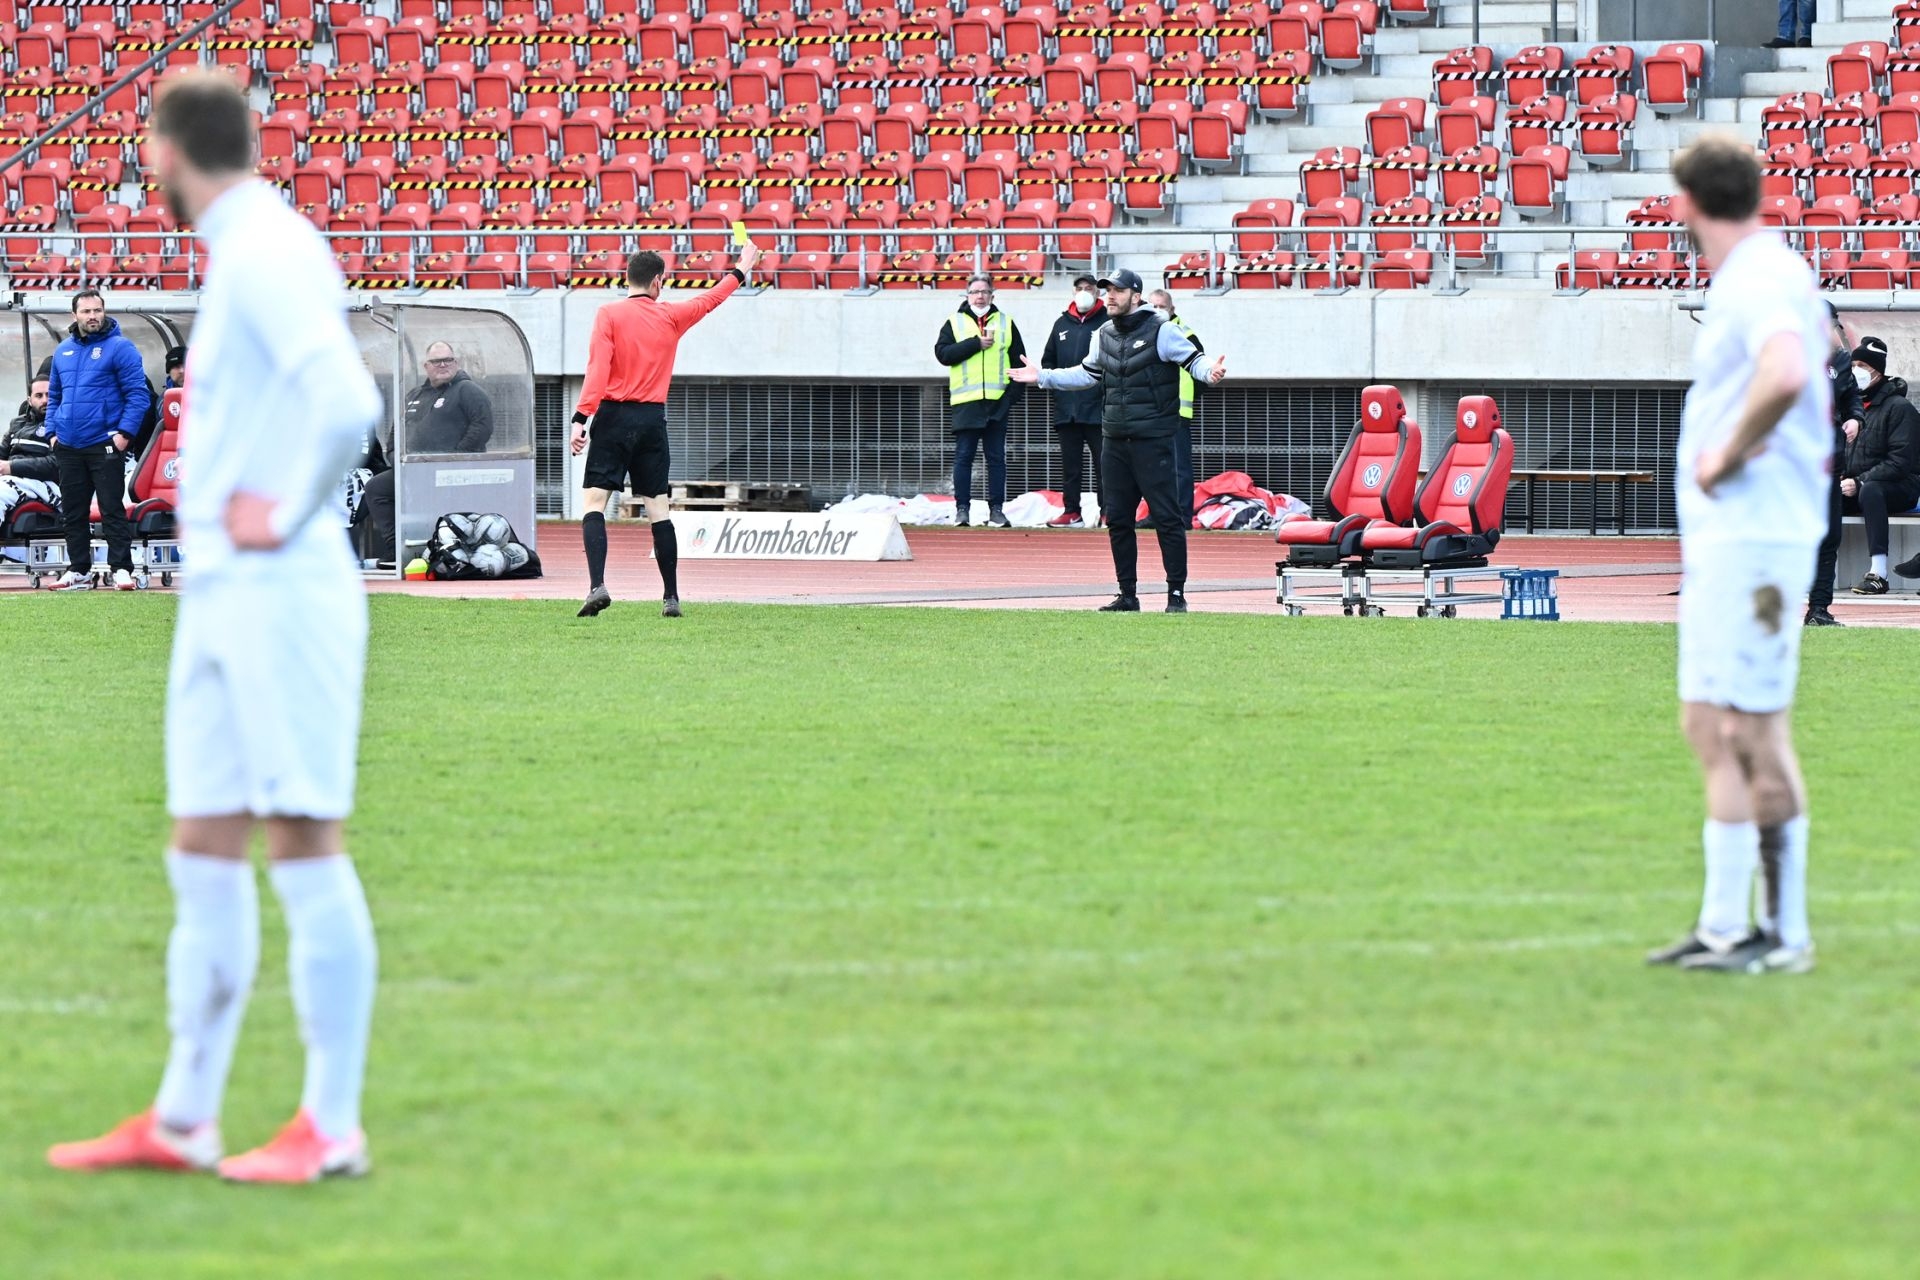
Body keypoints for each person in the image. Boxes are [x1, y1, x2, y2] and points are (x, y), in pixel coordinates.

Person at [48, 71, 385, 1183]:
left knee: (302, 840)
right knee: (201, 844)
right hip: (223, 592)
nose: (142, 169)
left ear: (168, 150)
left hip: (281, 589)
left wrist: (282, 513)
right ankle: (186, 1115)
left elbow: (348, 403)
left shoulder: (268, 248)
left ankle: (331, 1124)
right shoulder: (242, 249)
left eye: (145, 150)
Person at [1643, 135, 1830, 976]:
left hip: (1758, 541)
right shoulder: (1755, 275)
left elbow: (1785, 372)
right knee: (1709, 724)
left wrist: (1724, 453)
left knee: (1753, 729)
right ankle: (1723, 927)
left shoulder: (1758, 276)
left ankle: (1785, 934)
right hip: (1729, 543)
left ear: (1685, 203)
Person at [1010, 267, 1225, 613]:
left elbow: (1195, 361)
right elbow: (1087, 373)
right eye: (1107, 290)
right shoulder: (1103, 333)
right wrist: (1043, 376)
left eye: (1117, 291)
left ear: (1135, 296)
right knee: (1118, 520)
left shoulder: (1163, 329)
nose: (1109, 296)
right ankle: (1127, 595)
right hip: (1113, 439)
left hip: (1153, 439)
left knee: (1167, 518)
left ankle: (1176, 595)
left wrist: (1210, 372)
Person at [571, 243, 761, 618]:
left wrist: (582, 417)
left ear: (628, 278)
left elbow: (598, 368)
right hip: (651, 420)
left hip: (613, 416)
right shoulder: (671, 316)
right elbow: (711, 299)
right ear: (658, 281)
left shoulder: (608, 314)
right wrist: (743, 267)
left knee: (594, 503)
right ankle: (671, 597)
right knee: (659, 509)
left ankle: (597, 586)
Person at [44, 288, 149, 591]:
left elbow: (138, 395)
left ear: (104, 311)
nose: (93, 316)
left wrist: (124, 435)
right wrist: (52, 434)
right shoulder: (63, 350)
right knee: (73, 511)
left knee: (111, 508)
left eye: (97, 310)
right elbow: (54, 397)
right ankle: (79, 570)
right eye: (86, 311)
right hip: (68, 445)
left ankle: (121, 569)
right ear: (74, 315)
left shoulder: (121, 347)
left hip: (104, 443)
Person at [358, 341, 495, 565]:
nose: (443, 365)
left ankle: (448, 548)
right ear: (426, 366)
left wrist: (455, 458)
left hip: (451, 472)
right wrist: (395, 456)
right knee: (376, 487)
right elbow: (397, 430)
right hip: (412, 470)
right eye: (436, 361)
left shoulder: (467, 390)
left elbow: (482, 427)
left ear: (456, 362)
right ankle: (396, 550)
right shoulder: (416, 394)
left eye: (448, 360)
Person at [935, 275, 1025, 528]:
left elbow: (1019, 361)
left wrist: (1010, 397)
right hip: (967, 402)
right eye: (975, 291)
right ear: (967, 296)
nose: (980, 296)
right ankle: (962, 510)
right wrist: (975, 344)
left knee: (996, 458)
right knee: (964, 457)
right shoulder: (954, 322)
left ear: (992, 295)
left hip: (997, 402)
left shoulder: (1006, 322)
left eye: (984, 291)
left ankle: (996, 510)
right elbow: (943, 354)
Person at [1837, 336, 1919, 595]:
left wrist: (1859, 482)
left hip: (1899, 487)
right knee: (1822, 494)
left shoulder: (1900, 408)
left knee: (1871, 489)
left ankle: (1878, 574)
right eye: (1853, 365)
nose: (1855, 371)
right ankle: (1815, 573)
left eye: (1862, 365)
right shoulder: (1851, 409)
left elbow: (1900, 463)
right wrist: (1840, 478)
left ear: (1878, 371)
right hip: (1856, 485)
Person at [1804, 304, 1864, 626]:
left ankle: (1818, 609)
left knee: (1829, 537)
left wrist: (1855, 418)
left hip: (1829, 464)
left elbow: (1851, 395)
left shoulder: (1839, 361)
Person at [1040, 274, 1105, 528]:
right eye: (1079, 288)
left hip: (1099, 410)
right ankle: (1071, 512)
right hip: (1067, 410)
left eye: (1089, 288)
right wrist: (1059, 392)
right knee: (1070, 467)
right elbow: (1048, 361)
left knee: (1105, 465)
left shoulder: (1108, 322)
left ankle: (1108, 512)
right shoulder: (1061, 324)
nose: (1084, 292)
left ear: (1097, 292)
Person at [1148, 289, 1205, 527]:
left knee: (1179, 467)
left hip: (1177, 412)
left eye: (1162, 306)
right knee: (1153, 467)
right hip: (1150, 412)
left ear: (1172, 310)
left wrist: (1186, 398)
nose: (1157, 311)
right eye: (1153, 306)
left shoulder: (1185, 334)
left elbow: (1201, 371)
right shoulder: (1145, 333)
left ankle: (1182, 516)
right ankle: (1156, 515)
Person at [0, 376, 59, 527]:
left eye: (49, 395)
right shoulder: (17, 424)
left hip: (43, 484)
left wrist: (11, 467)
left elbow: (55, 465)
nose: (45, 400)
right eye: (39, 396)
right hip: (10, 480)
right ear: (29, 400)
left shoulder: (63, 424)